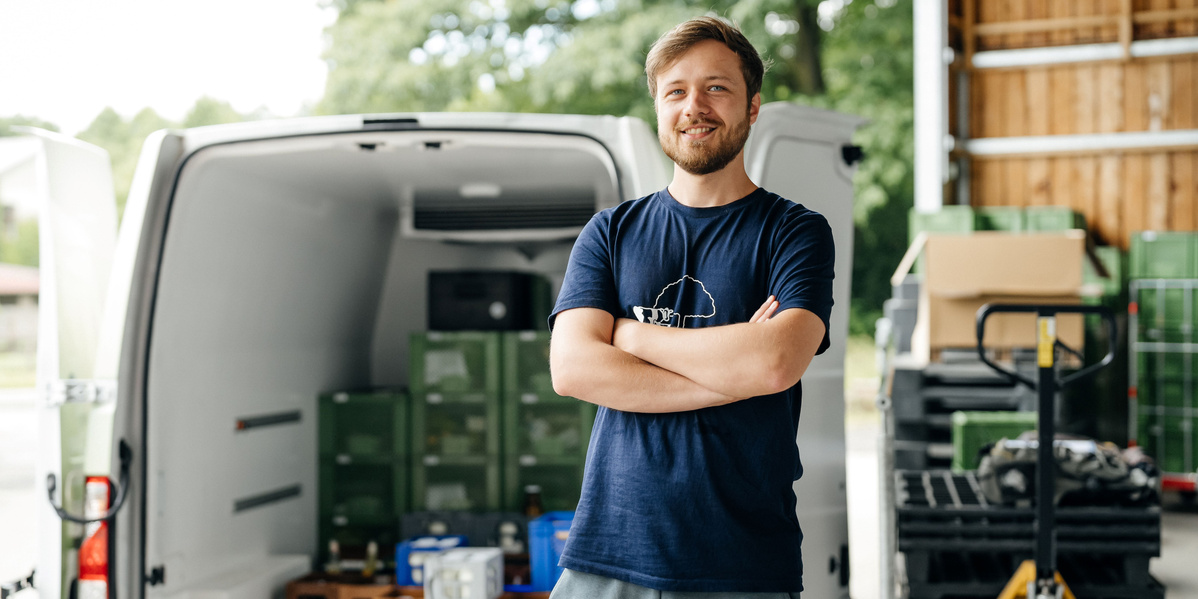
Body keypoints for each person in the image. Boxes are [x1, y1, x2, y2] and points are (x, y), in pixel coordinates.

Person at [547, 15, 835, 598]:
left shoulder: (795, 232)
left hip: (740, 564)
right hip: (606, 559)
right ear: (658, 106)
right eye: (675, 91)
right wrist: (734, 371)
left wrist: (631, 337)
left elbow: (775, 364)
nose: (693, 106)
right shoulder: (610, 232)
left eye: (716, 88)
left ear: (753, 106)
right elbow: (573, 370)